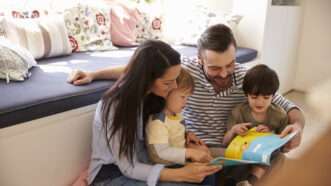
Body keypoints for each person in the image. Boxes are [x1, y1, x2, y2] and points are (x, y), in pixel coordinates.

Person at [68, 24, 305, 183]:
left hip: (213, 149)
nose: (224, 74)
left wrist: (297, 128)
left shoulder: (245, 77)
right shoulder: (177, 76)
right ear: (199, 60)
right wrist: (94, 73)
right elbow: (136, 69)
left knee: (273, 157)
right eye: (214, 67)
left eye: (229, 64)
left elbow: (288, 106)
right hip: (133, 167)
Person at [86, 40, 220, 186]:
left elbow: (129, 71)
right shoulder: (115, 106)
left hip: (146, 161)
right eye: (167, 82)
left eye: (175, 79)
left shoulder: (154, 94)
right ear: (147, 79)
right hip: (112, 174)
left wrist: (185, 135)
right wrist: (180, 174)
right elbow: (128, 167)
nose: (174, 86)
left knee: (206, 174)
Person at [222, 64, 290, 185]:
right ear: (246, 95)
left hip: (264, 157)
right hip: (243, 156)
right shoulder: (238, 112)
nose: (260, 102)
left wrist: (271, 135)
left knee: (277, 155)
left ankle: (251, 181)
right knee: (234, 164)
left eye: (266, 97)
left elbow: (284, 145)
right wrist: (233, 130)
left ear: (273, 96)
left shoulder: (279, 115)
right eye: (254, 97)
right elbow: (225, 143)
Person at [146, 69, 212, 166]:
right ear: (166, 93)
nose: (186, 102)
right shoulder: (158, 122)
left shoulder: (176, 115)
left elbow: (175, 133)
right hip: (167, 166)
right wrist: (189, 153)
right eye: (182, 97)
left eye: (187, 97)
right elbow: (160, 154)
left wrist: (187, 134)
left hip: (180, 159)